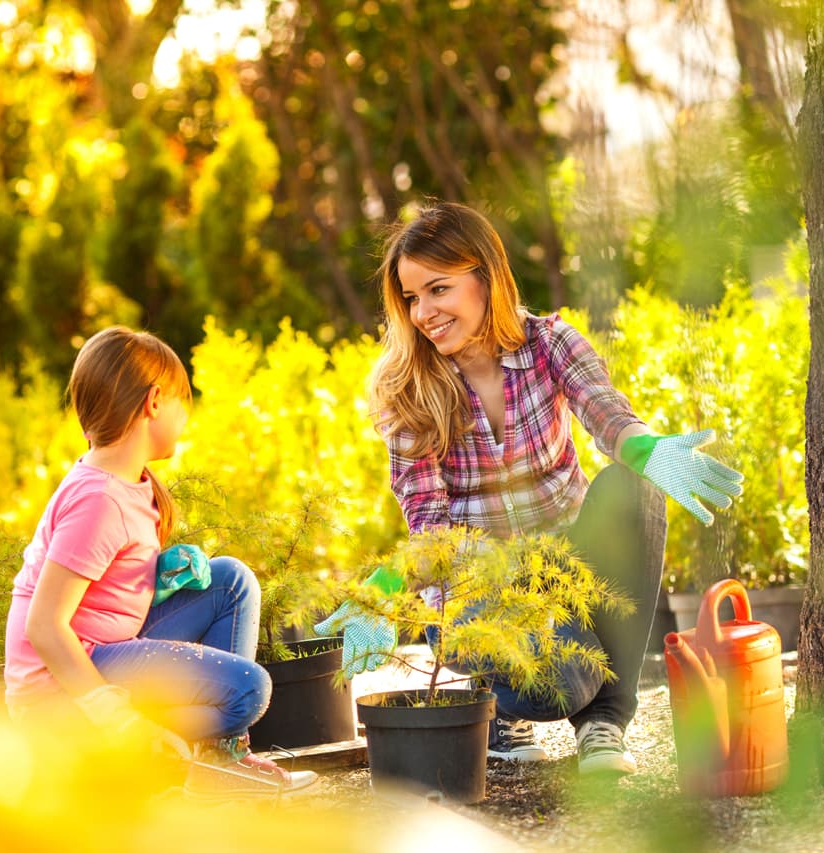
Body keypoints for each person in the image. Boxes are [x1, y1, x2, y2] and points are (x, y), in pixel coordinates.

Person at [317, 201, 742, 777]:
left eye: (438, 289)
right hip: (483, 590)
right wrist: (385, 589)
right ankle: (499, 708)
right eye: (412, 298)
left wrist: (647, 451)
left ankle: (605, 725)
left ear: (485, 276)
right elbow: (429, 524)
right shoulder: (406, 390)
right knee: (557, 685)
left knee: (633, 486)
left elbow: (608, 416)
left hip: (572, 570)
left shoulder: (551, 343)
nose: (424, 312)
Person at [3, 326, 317, 798]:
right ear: (153, 402)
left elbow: (102, 582)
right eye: (181, 402)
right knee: (249, 690)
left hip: (103, 651)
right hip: (59, 693)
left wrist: (157, 575)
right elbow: (45, 627)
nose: (185, 417)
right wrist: (120, 721)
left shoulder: (129, 481)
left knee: (232, 580)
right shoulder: (100, 499)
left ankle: (218, 759)